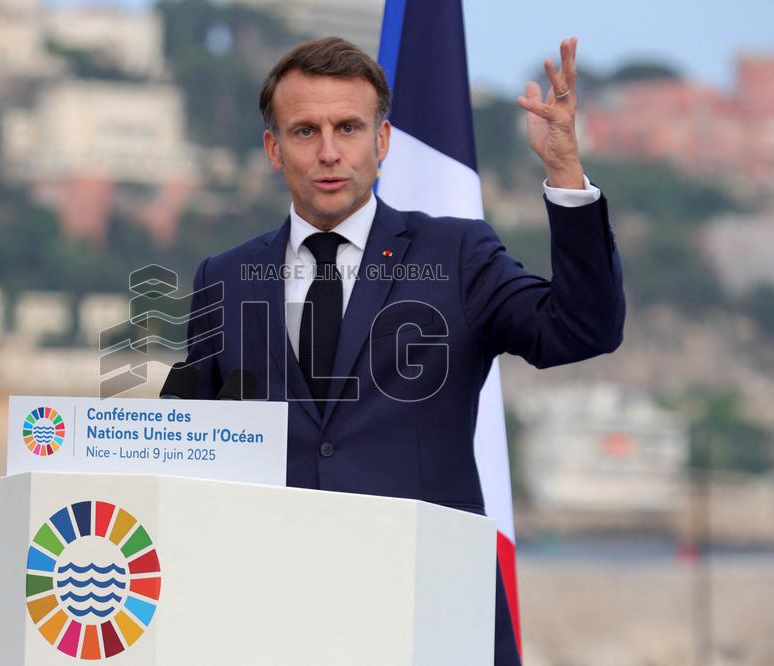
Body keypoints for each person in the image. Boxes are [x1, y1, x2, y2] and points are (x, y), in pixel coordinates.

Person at [183, 36, 624, 665]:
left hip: (432, 611)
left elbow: (582, 329)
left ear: (382, 141)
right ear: (273, 150)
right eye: (305, 131)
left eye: (349, 127)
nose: (330, 151)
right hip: (271, 621)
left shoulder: (458, 255)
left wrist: (564, 178)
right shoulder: (222, 277)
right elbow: (191, 450)